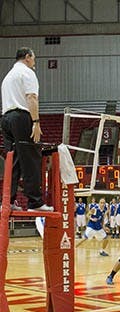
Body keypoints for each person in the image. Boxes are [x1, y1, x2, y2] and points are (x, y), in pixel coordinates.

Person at [1, 47, 53, 211]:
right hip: (21, 117)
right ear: (28, 57)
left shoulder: (8, 76)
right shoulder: (27, 73)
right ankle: (35, 202)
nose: (34, 62)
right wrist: (36, 122)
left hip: (5, 119)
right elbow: (31, 97)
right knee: (31, 157)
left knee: (13, 160)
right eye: (34, 58)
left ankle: (7, 201)